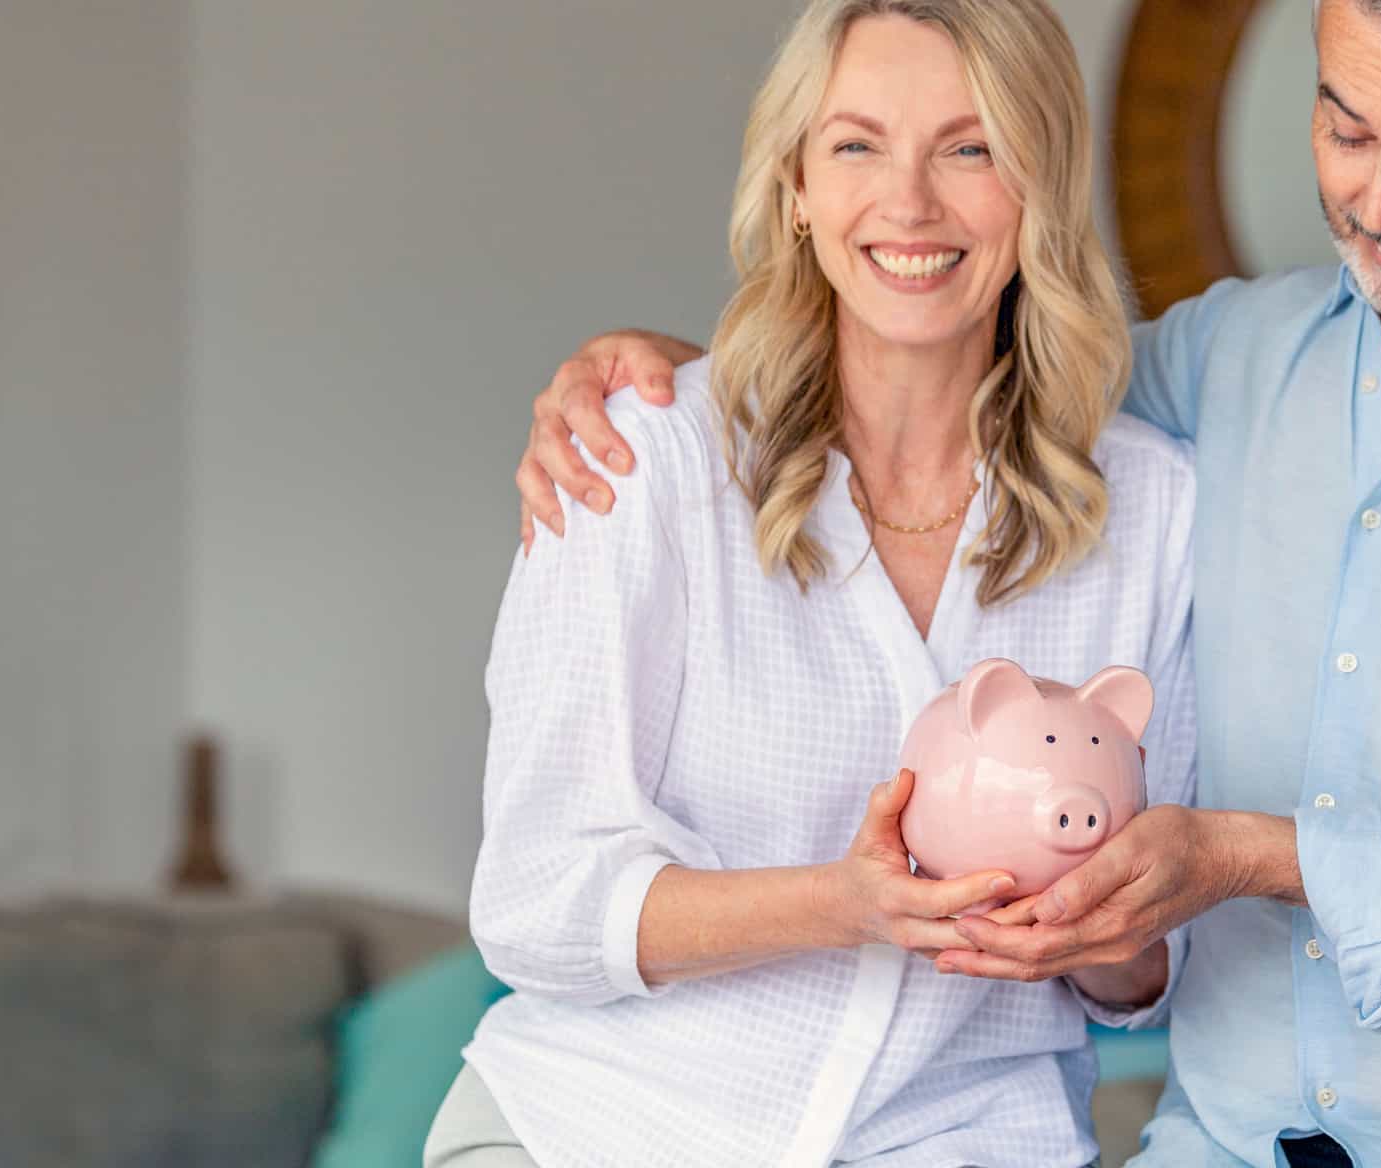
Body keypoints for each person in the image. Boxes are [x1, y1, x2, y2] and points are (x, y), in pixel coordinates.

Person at [507, 0, 1381, 1165]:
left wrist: (1253, 860)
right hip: (1233, 1142)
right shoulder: (1237, 358)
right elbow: (947, 352)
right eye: (1343, 131)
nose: (1379, 202)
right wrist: (694, 383)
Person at [429, 2, 1200, 1166]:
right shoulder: (639, 463)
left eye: (970, 145)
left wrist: (1088, 920)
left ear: (1040, 182)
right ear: (794, 186)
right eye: (855, 145)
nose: (911, 202)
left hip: (961, 1140)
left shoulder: (1151, 511)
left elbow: (1144, 980)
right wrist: (846, 905)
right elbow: (535, 905)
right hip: (601, 1128)